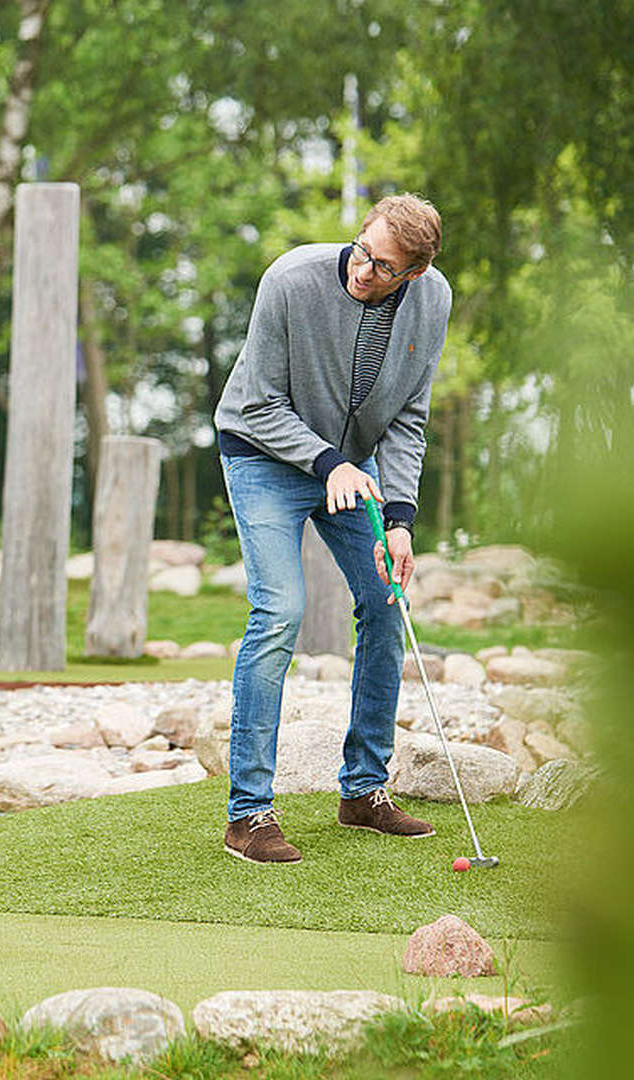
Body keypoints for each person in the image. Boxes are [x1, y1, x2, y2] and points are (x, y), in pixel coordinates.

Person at [213, 194, 452, 865]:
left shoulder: (433, 303)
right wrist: (328, 464)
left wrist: (400, 520)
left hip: (353, 467)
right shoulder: (289, 280)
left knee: (385, 598)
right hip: (263, 453)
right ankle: (248, 816)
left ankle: (363, 792)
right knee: (280, 609)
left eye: (384, 267)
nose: (363, 270)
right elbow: (256, 400)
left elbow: (408, 414)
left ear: (415, 275)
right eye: (363, 250)